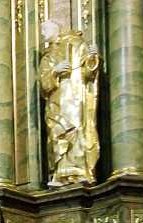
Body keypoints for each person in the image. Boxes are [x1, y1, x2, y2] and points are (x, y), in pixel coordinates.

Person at [40, 19, 100, 187]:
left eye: (45, 29)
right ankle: (60, 173)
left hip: (75, 95)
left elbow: (88, 73)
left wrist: (92, 57)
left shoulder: (76, 43)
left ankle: (79, 171)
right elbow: (44, 83)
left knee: (76, 129)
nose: (42, 33)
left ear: (56, 28)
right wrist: (55, 71)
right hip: (56, 101)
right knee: (57, 132)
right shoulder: (47, 56)